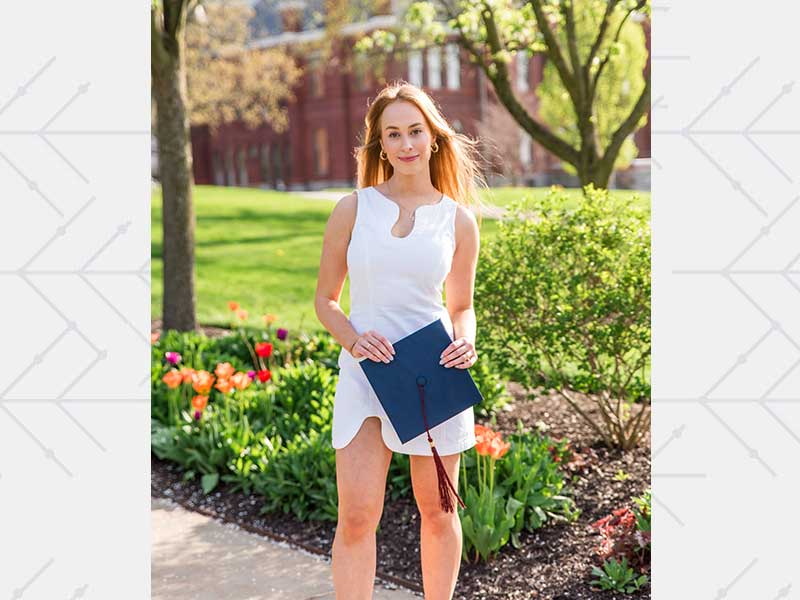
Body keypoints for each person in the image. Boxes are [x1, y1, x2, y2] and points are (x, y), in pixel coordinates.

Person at [314, 81, 487, 600]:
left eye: (416, 130)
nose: (406, 143)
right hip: (367, 374)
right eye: (394, 134)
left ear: (433, 137)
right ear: (380, 144)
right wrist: (354, 340)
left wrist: (466, 341)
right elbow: (325, 299)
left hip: (433, 374)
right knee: (357, 514)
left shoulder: (458, 220)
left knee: (438, 510)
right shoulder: (353, 209)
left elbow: (461, 306)